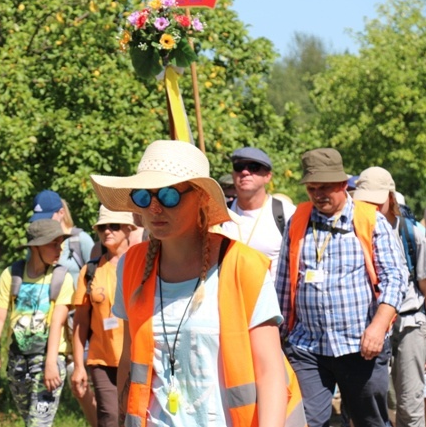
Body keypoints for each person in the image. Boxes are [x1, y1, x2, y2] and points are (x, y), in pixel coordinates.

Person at [90, 140, 305, 427]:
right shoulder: (132, 265)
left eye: (168, 195)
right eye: (143, 196)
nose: (154, 208)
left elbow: (270, 372)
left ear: (202, 197)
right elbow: (129, 360)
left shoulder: (243, 265)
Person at [275, 148, 408, 427]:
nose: (318, 194)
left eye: (325, 187)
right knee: (303, 421)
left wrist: (378, 327)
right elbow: (284, 285)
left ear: (342, 184)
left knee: (369, 421)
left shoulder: (371, 220)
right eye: (312, 188)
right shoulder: (298, 221)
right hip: (307, 347)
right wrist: (279, 338)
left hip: (361, 346)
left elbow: (395, 278)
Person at [353, 167, 426, 427]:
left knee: (409, 402)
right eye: (364, 202)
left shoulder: (412, 232)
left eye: (377, 201)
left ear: (391, 198)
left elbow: (424, 285)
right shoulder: (352, 228)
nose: (370, 208)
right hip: (369, 326)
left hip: (408, 323)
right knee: (367, 401)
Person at [0, 219, 74, 427]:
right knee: (31, 421)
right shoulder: (11, 275)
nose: (59, 249)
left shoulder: (62, 278)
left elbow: (57, 324)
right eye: (53, 244)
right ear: (36, 247)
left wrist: (51, 363)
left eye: (60, 243)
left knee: (38, 424)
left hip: (48, 359)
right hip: (17, 361)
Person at [29, 190, 98, 426]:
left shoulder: (81, 241)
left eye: (49, 217)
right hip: (53, 323)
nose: (45, 224)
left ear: (61, 213)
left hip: (80, 321)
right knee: (73, 380)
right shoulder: (42, 244)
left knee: (91, 383)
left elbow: (97, 276)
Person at [71, 206, 136, 427]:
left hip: (137, 360)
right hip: (102, 360)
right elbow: (80, 322)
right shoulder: (90, 271)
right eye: (102, 227)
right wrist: (78, 365)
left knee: (136, 418)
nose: (107, 231)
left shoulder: (142, 264)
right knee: (109, 419)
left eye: (114, 226)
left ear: (129, 229)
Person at [221, 147, 296, 275]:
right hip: (227, 293)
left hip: (271, 293)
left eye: (253, 167)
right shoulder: (220, 213)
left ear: (267, 176)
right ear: (233, 174)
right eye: (238, 166)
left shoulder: (286, 213)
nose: (245, 172)